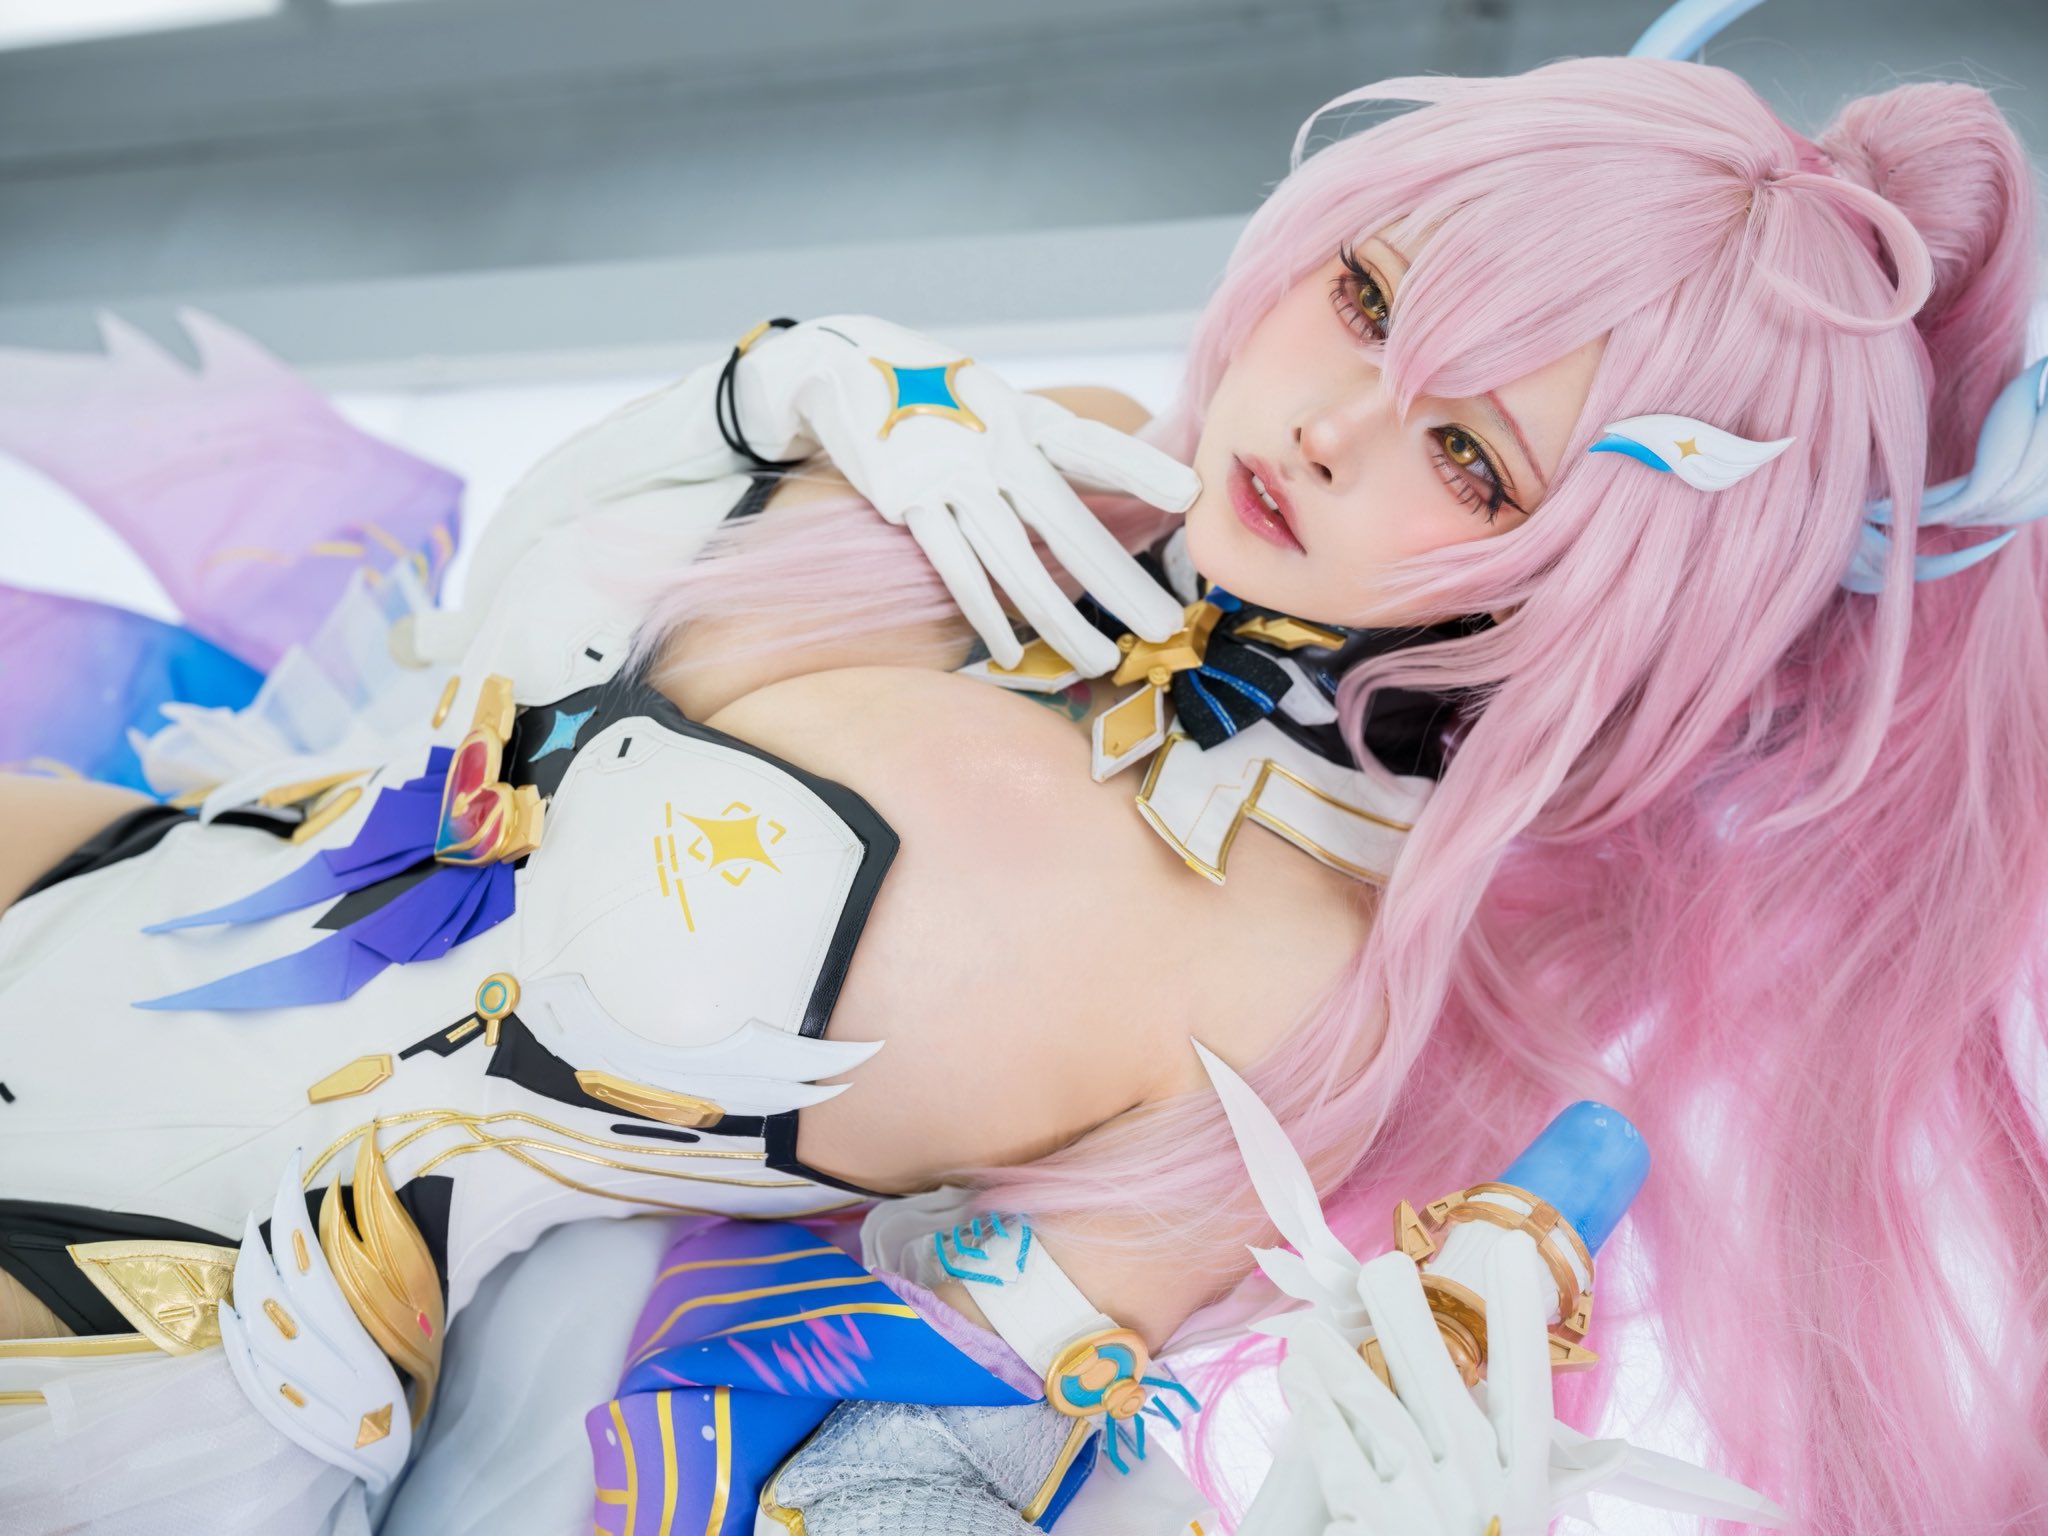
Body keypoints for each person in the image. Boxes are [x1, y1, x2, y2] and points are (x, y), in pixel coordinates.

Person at [2, 13, 2045, 1535]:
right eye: (1366, 297)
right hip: (93, 875)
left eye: (1467, 455)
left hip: (140, 1348)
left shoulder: (1295, 991)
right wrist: (785, 385)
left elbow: (897, 1465)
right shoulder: (1016, 449)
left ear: (1600, 580)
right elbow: (473, 676)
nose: (1329, 424)